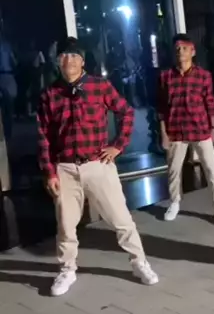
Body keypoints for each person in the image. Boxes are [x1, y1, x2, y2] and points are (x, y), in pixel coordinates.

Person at [37, 37, 158, 297]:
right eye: (63, 55)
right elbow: (43, 136)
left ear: (82, 61)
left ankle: (139, 262)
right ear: (57, 60)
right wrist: (49, 172)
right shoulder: (50, 94)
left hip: (98, 164)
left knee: (121, 219)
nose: (68, 60)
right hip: (65, 169)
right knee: (66, 225)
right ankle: (67, 269)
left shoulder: (99, 86)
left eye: (74, 55)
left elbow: (126, 112)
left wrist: (118, 145)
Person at [157, 34, 214, 225]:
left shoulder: (203, 76)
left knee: (212, 171)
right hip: (175, 130)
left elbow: (210, 102)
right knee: (174, 171)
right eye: (177, 49)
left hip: (200, 129)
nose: (180, 52)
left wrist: (212, 127)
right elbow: (161, 107)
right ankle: (174, 202)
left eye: (184, 48)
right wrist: (163, 132)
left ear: (193, 51)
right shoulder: (166, 77)